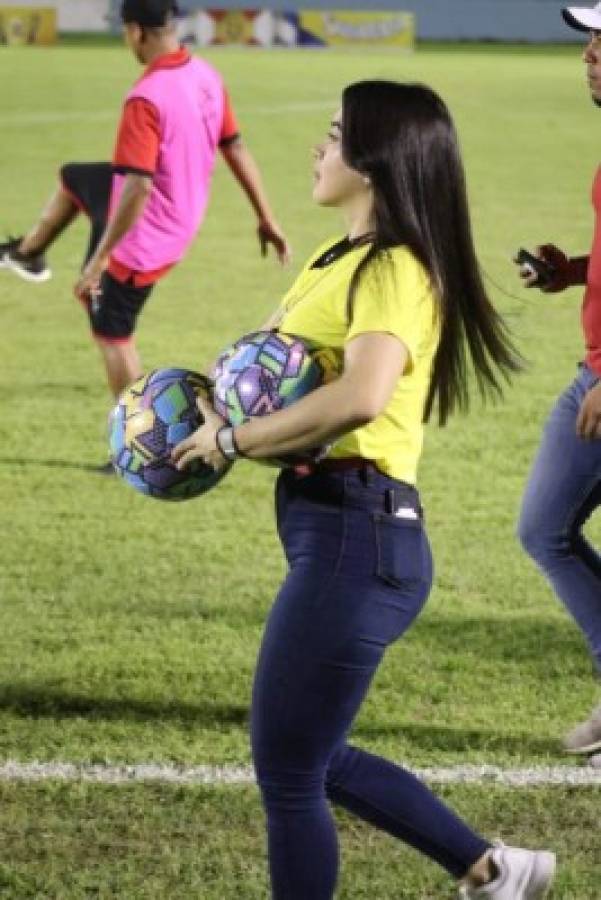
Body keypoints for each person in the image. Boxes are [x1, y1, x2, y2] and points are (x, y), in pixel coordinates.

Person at [172, 80, 555, 900]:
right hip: (336, 527)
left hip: (359, 534)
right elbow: (285, 383)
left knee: (287, 770)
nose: (318, 146)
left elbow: (358, 398)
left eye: (336, 133)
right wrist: (215, 405)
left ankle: (493, 871)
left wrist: (231, 439)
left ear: (376, 161)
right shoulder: (335, 257)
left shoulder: (393, 268)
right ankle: (494, 871)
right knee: (307, 749)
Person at [0, 0, 290, 464]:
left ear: (135, 32)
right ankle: (29, 252)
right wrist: (266, 216)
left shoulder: (147, 96)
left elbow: (137, 186)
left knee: (113, 332)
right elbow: (235, 148)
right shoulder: (205, 74)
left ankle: (141, 448)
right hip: (182, 216)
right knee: (75, 177)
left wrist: (99, 262)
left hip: (144, 239)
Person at [516, 4, 601, 756]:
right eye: (590, 42)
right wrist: (567, 271)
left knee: (545, 528)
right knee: (542, 528)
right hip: (593, 376)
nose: (590, 55)